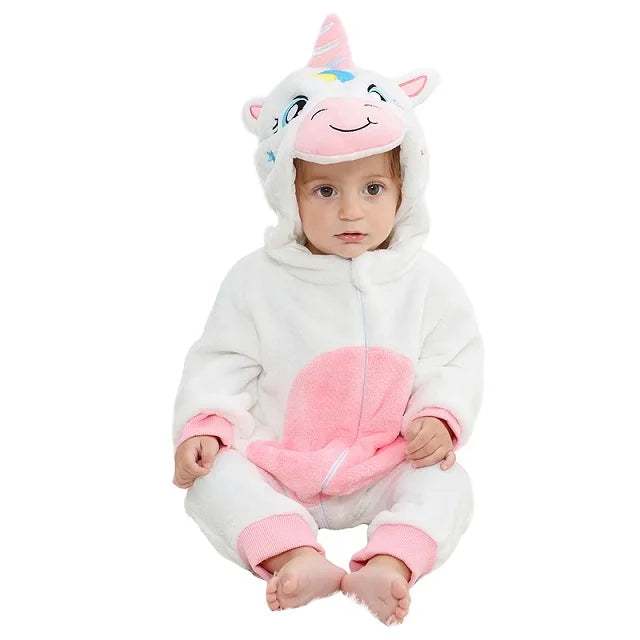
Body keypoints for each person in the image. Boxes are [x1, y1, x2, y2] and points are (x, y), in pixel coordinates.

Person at [171, 13, 483, 626]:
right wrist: (205, 425)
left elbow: (453, 356)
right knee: (211, 481)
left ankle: (389, 562)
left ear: (405, 189)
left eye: (372, 189)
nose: (351, 212)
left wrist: (439, 417)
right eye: (324, 191)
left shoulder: (425, 280)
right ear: (287, 193)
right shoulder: (256, 280)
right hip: (279, 460)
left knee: (449, 484)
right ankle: (293, 554)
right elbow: (222, 360)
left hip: (385, 460)